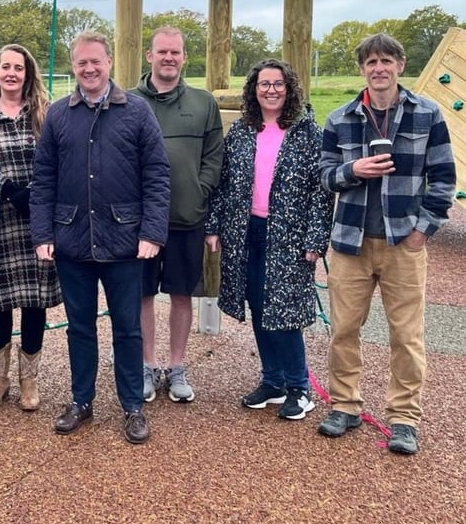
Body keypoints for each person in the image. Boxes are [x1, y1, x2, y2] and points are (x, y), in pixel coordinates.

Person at [317, 33, 455, 454]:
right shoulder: (341, 118)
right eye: (371, 62)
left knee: (407, 335)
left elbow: (444, 179)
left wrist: (422, 230)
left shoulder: (427, 115)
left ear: (400, 64)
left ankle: (404, 418)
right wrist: (353, 170)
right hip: (349, 242)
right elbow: (323, 177)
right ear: (362, 68)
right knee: (343, 330)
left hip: (403, 244)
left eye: (386, 61)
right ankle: (345, 405)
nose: (379, 68)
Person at [30, 30, 170, 444]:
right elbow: (44, 179)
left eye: (96, 61)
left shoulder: (137, 112)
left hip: (125, 242)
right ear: (72, 66)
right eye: (81, 63)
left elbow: (157, 175)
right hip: (72, 239)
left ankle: (132, 406)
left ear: (110, 62)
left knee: (128, 327)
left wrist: (152, 231)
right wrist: (43, 232)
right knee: (80, 326)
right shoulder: (58, 114)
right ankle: (81, 400)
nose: (89, 69)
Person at [205, 59, 334, 420]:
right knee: (260, 305)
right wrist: (214, 226)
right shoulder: (244, 131)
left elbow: (321, 193)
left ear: (289, 88)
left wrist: (315, 237)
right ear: (254, 89)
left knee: (285, 311)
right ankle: (272, 380)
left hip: (290, 236)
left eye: (278, 84)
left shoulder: (309, 133)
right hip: (247, 231)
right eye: (264, 84)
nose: (271, 90)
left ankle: (299, 387)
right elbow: (224, 182)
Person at [132, 26, 223, 403]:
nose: (169, 58)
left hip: (188, 217)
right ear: (149, 56)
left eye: (176, 52)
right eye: (162, 52)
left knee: (183, 294)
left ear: (185, 57)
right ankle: (147, 365)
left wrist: (198, 192)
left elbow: (214, 158)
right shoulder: (128, 102)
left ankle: (177, 365)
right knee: (142, 295)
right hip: (139, 223)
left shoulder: (204, 103)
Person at [0, 44, 61, 412]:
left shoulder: (45, 113)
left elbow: (59, 163)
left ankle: (29, 380)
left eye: (18, 68)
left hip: (37, 220)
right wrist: (5, 188)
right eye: (5, 67)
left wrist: (34, 196)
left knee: (34, 302)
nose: (11, 73)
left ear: (28, 73)